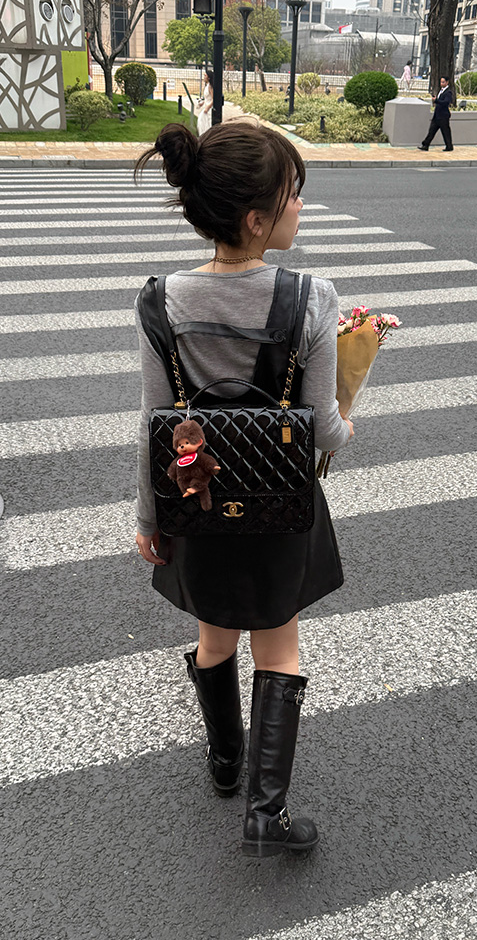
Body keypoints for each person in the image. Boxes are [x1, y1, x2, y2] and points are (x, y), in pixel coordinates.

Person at [134, 121, 354, 858]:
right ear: (257, 219)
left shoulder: (161, 301)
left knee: (214, 633)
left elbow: (154, 424)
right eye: (293, 194)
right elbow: (324, 433)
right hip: (278, 504)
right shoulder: (311, 298)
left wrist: (150, 518)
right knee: (280, 644)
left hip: (196, 503)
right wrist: (348, 418)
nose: (301, 206)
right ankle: (266, 814)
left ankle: (225, 761)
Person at [418, 75, 454, 152]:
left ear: (447, 82)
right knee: (431, 131)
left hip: (443, 116)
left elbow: (446, 102)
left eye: (443, 82)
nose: (441, 83)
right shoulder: (441, 91)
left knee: (445, 132)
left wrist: (436, 100)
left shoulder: (448, 92)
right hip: (437, 115)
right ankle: (425, 145)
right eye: (441, 82)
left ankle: (449, 146)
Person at [196, 69, 213, 135]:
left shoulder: (210, 87)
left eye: (205, 76)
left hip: (208, 109)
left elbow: (213, 99)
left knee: (205, 123)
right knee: (201, 122)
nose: (204, 77)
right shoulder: (207, 86)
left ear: (209, 78)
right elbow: (207, 98)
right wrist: (202, 103)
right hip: (206, 107)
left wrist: (208, 107)